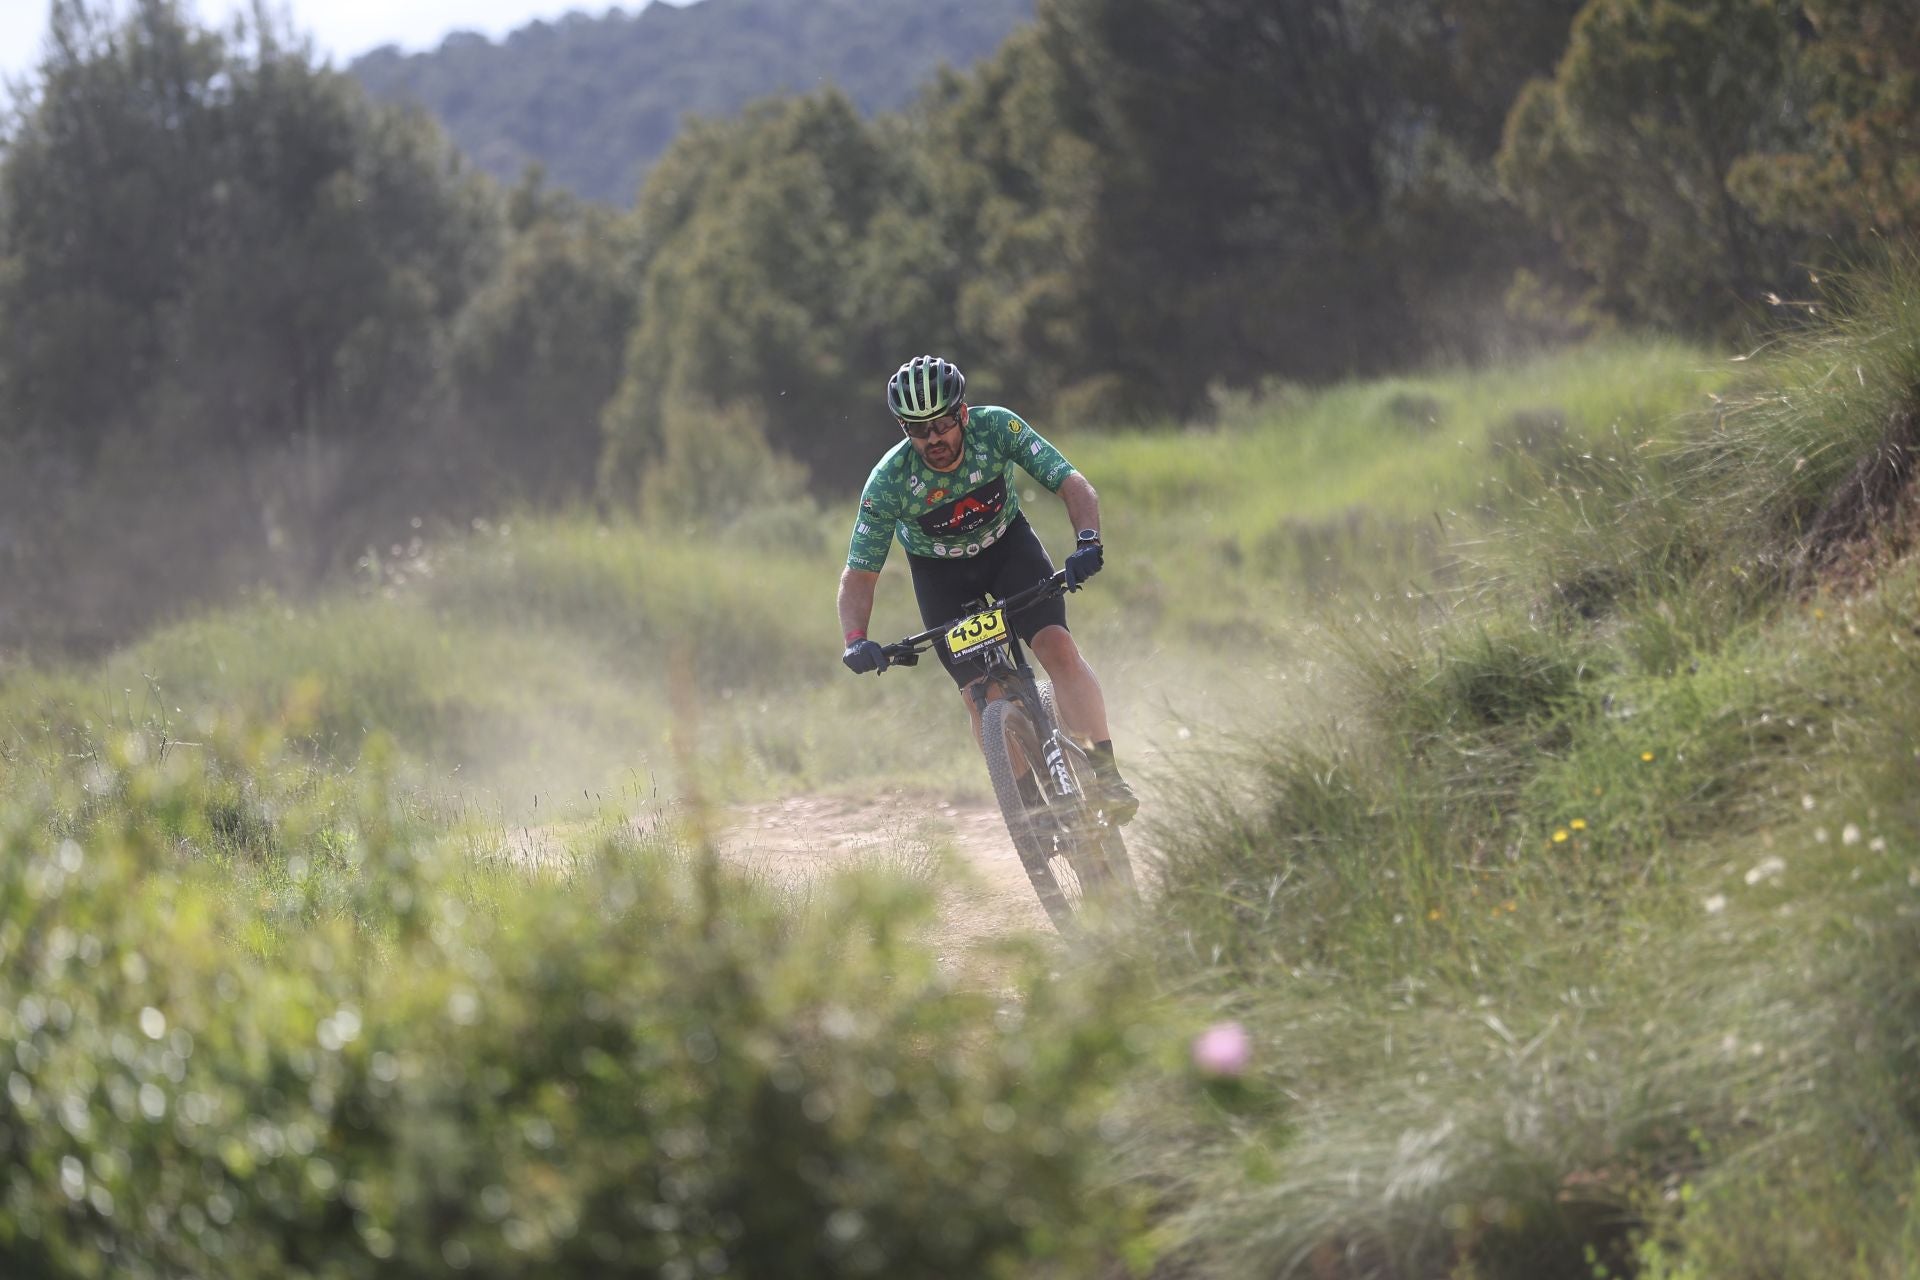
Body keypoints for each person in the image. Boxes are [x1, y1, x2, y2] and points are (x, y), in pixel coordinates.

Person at [836, 354, 1138, 824]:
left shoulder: (997, 428)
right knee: (981, 694)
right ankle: (1030, 813)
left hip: (1008, 551)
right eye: (918, 429)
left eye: (941, 423)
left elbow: (1071, 483)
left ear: (962, 412)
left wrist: (1087, 542)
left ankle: (1107, 775)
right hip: (941, 577)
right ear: (903, 429)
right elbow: (860, 572)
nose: (933, 438)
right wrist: (855, 640)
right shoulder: (889, 482)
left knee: (1057, 648)